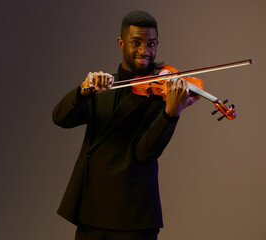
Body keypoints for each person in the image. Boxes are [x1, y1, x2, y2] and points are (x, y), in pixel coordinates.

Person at [52, 10, 199, 240]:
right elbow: (60, 118)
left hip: (134, 217)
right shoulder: (103, 86)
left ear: (157, 44)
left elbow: (144, 153)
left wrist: (171, 113)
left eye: (151, 44)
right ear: (121, 43)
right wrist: (82, 90)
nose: (144, 51)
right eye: (136, 43)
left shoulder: (162, 92)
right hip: (92, 212)